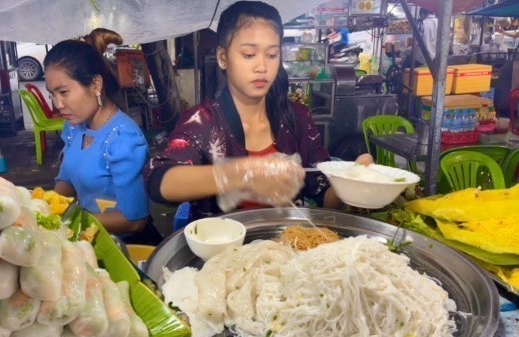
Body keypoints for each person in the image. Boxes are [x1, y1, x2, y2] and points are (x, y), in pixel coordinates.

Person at [145, 0, 372, 221]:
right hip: (225, 254)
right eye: (249, 55)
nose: (262, 67)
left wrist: (352, 181)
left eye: (272, 55)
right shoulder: (202, 123)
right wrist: (244, 174)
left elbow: (324, 196)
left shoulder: (297, 119)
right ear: (223, 57)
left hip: (291, 248)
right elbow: (159, 181)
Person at [44, 39, 161, 244]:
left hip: (126, 246)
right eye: (52, 94)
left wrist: (71, 220)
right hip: (87, 239)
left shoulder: (124, 140)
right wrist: (46, 208)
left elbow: (134, 220)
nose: (57, 104)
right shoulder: (73, 127)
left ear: (96, 84)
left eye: (63, 92)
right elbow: (67, 180)